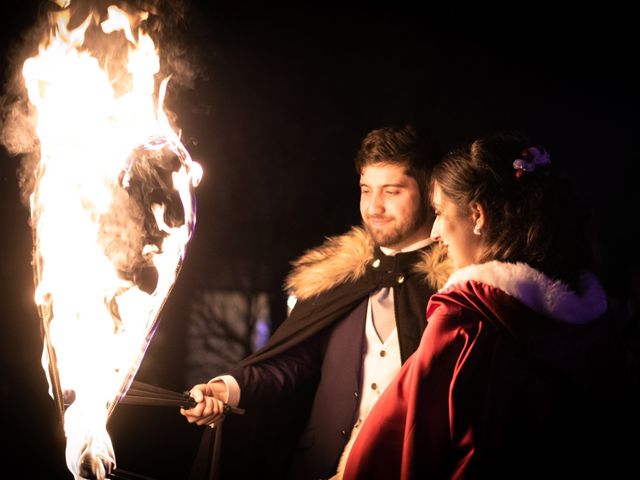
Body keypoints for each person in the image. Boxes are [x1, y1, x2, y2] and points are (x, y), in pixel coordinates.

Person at [342, 131, 629, 479]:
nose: (435, 231)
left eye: (439, 212)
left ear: (477, 215)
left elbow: (402, 446)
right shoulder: (593, 321)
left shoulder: (464, 321)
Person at [180, 124, 452, 479]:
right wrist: (225, 388)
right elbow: (289, 365)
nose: (374, 207)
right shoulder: (340, 279)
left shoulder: (455, 293)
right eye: (366, 189)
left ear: (429, 192)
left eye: (392, 191)